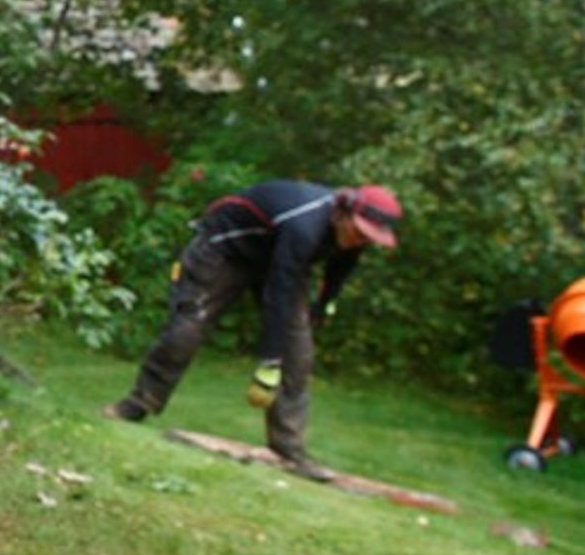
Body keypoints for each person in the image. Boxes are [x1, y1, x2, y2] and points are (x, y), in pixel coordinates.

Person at [103, 179, 403, 476]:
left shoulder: (351, 238)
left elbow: (337, 272)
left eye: (369, 239)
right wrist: (269, 361)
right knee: (189, 328)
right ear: (344, 213)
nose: (360, 241)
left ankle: (289, 449)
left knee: (299, 352)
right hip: (222, 250)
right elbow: (279, 293)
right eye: (360, 233)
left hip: (276, 258)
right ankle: (136, 405)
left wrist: (322, 307)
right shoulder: (305, 224)